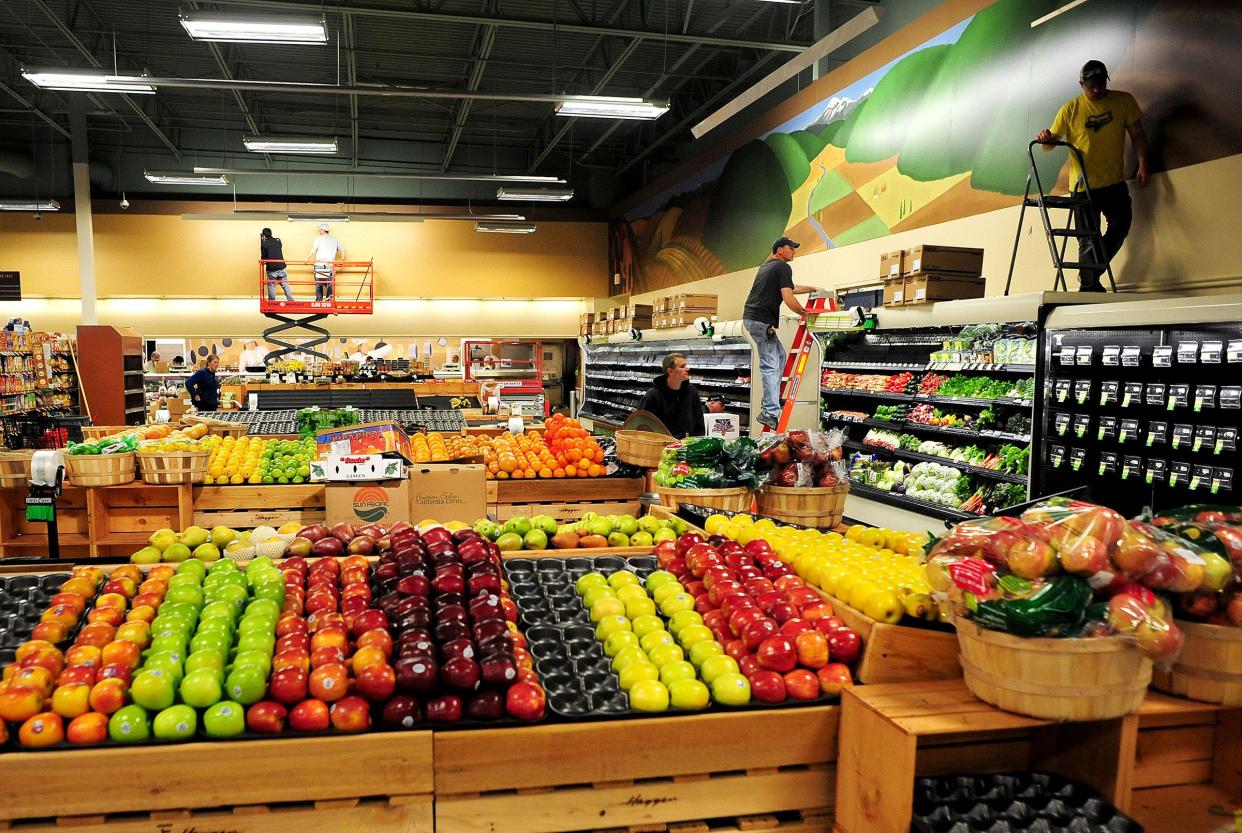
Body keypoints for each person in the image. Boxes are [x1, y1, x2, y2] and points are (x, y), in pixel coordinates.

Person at [1036, 60, 1149, 292]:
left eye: (1100, 84)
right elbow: (1049, 145)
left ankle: (1088, 273)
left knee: (1121, 225)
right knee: (1087, 237)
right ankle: (1089, 285)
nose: (1097, 90)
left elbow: (1138, 134)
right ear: (1081, 85)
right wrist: (1045, 139)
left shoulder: (1123, 101)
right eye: (1091, 86)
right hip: (1082, 186)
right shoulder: (1071, 109)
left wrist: (1143, 164)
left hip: (1114, 181)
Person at [742, 236, 820, 431]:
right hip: (761, 321)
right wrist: (804, 312)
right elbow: (788, 297)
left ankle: (771, 404)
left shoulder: (768, 267)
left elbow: (791, 289)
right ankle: (769, 411)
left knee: (779, 356)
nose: (794, 251)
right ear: (779, 250)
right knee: (770, 365)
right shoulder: (783, 267)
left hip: (754, 319)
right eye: (791, 248)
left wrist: (813, 288)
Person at [637, 353, 705, 438]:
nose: (688, 369)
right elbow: (641, 424)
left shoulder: (692, 391)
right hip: (662, 447)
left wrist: (699, 442)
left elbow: (699, 421)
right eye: (682, 366)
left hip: (688, 446)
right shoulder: (653, 396)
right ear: (670, 371)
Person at [305, 223, 345, 302]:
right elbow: (343, 250)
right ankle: (328, 301)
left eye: (320, 230)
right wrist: (341, 261)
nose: (319, 231)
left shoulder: (319, 239)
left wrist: (307, 258)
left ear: (323, 230)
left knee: (319, 285)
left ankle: (319, 302)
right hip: (330, 267)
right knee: (330, 284)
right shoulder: (334, 240)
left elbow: (313, 249)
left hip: (319, 266)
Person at [260, 228, 293, 302]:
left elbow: (264, 257)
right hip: (281, 267)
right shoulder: (278, 241)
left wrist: (262, 241)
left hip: (271, 269)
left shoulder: (264, 244)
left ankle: (271, 302)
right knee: (285, 284)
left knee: (271, 285)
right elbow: (277, 248)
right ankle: (290, 300)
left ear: (264, 235)